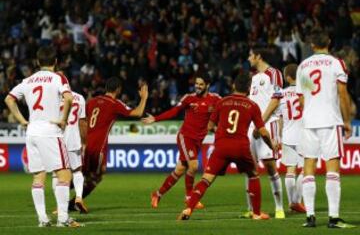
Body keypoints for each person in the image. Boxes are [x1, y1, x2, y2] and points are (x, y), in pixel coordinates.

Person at [177, 72, 274, 221]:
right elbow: (263, 132)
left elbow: (209, 126)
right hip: (241, 147)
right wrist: (271, 145)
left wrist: (219, 129)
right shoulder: (252, 106)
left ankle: (188, 208)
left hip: (221, 146)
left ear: (234, 85)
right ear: (248, 88)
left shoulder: (222, 102)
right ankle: (256, 214)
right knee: (253, 175)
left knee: (206, 179)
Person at [4, 46, 80, 227]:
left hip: (32, 132)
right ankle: (63, 219)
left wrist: (22, 120)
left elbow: (9, 99)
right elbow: (69, 98)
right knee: (64, 175)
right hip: (50, 131)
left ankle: (43, 219)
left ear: (38, 62)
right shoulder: (58, 77)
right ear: (55, 62)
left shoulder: (28, 79)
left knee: (38, 176)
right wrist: (62, 120)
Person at [296, 28, 355, 228]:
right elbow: (343, 93)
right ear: (329, 42)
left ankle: (310, 217)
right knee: (333, 169)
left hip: (309, 122)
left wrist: (311, 111)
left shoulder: (303, 66)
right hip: (330, 121)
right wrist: (347, 121)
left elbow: (302, 97)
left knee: (308, 168)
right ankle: (333, 218)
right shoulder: (336, 63)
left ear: (312, 45)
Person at [142, 73, 221, 209]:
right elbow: (174, 111)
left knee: (179, 170)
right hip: (186, 137)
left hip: (198, 140)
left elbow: (223, 111)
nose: (197, 86)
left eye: (201, 84)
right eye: (196, 83)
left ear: (208, 85)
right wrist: (156, 118)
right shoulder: (188, 98)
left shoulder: (215, 99)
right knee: (194, 165)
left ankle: (157, 194)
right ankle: (189, 198)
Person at [68, 77, 148, 211]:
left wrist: (83, 140)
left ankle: (64, 194)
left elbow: (82, 121)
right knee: (97, 176)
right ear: (118, 89)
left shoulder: (92, 102)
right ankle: (72, 203)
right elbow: (138, 112)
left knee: (81, 173)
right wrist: (144, 98)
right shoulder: (115, 104)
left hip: (86, 145)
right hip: (99, 146)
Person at [245, 45, 285, 219]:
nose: (248, 59)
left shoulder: (274, 73)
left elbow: (276, 101)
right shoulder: (253, 78)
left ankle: (279, 208)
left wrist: (259, 124)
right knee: (250, 168)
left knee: (270, 166)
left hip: (268, 124)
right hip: (252, 127)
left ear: (258, 56)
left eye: (250, 55)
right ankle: (251, 209)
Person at [262, 64, 306, 213]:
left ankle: (291, 203)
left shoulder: (281, 94)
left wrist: (279, 136)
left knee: (290, 171)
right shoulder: (304, 92)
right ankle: (296, 201)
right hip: (304, 134)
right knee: (306, 169)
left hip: (287, 135)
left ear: (287, 77)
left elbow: (280, 118)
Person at [52, 89, 87, 213]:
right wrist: (84, 141)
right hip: (73, 139)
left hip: (56, 139)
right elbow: (82, 122)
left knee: (57, 174)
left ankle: (59, 205)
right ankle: (78, 197)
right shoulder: (79, 97)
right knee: (77, 171)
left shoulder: (51, 96)